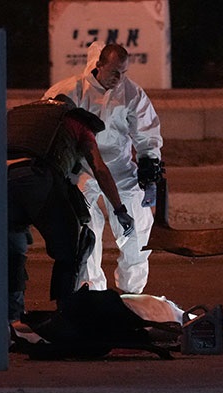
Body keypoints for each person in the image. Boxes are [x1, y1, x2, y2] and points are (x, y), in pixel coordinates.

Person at [7, 95, 134, 336]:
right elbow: (99, 169)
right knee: (72, 247)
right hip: (37, 177)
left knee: (12, 251)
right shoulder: (75, 122)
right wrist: (119, 209)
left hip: (0, 180)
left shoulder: (19, 118)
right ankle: (65, 318)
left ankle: (11, 321)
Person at [44, 43, 163, 295]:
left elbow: (147, 131)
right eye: (114, 72)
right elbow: (47, 126)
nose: (119, 78)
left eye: (124, 72)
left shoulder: (130, 92)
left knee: (138, 228)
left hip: (120, 167)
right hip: (80, 168)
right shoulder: (69, 91)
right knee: (86, 229)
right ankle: (91, 292)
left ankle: (132, 294)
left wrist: (149, 161)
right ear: (99, 66)